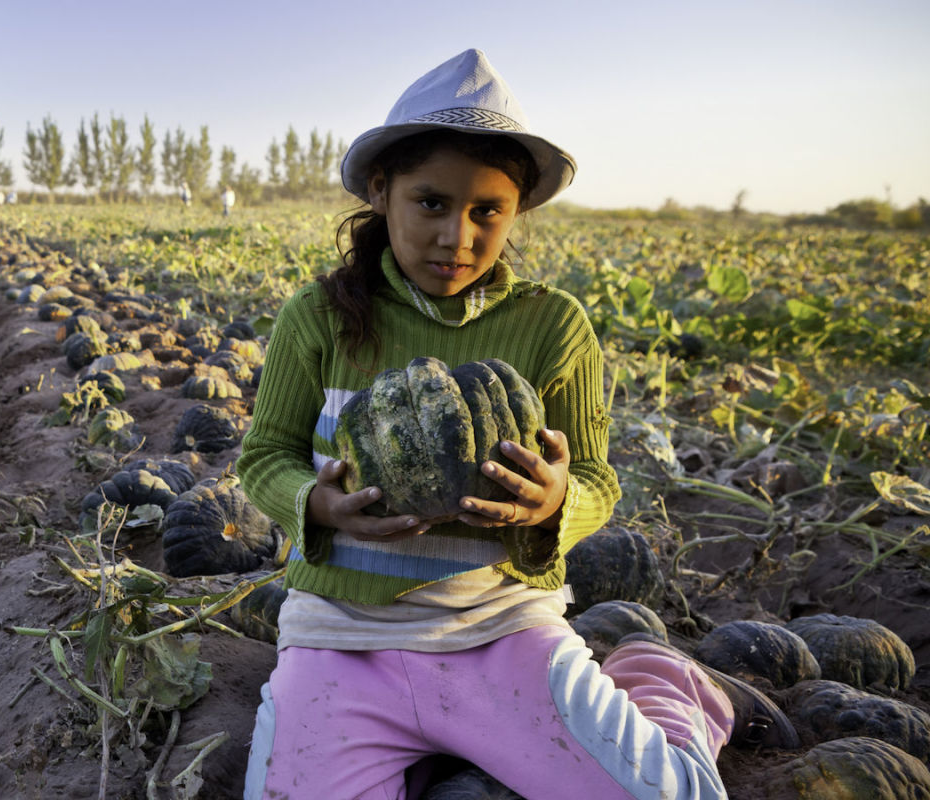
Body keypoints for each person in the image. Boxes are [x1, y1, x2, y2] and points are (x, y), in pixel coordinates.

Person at [236, 49, 796, 800]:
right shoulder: (319, 318)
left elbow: (596, 475)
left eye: (486, 212)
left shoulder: (553, 326)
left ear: (516, 211)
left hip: (498, 630)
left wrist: (555, 501)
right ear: (381, 191)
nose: (456, 237)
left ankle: (667, 685)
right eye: (431, 203)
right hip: (341, 639)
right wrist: (317, 504)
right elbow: (265, 455)